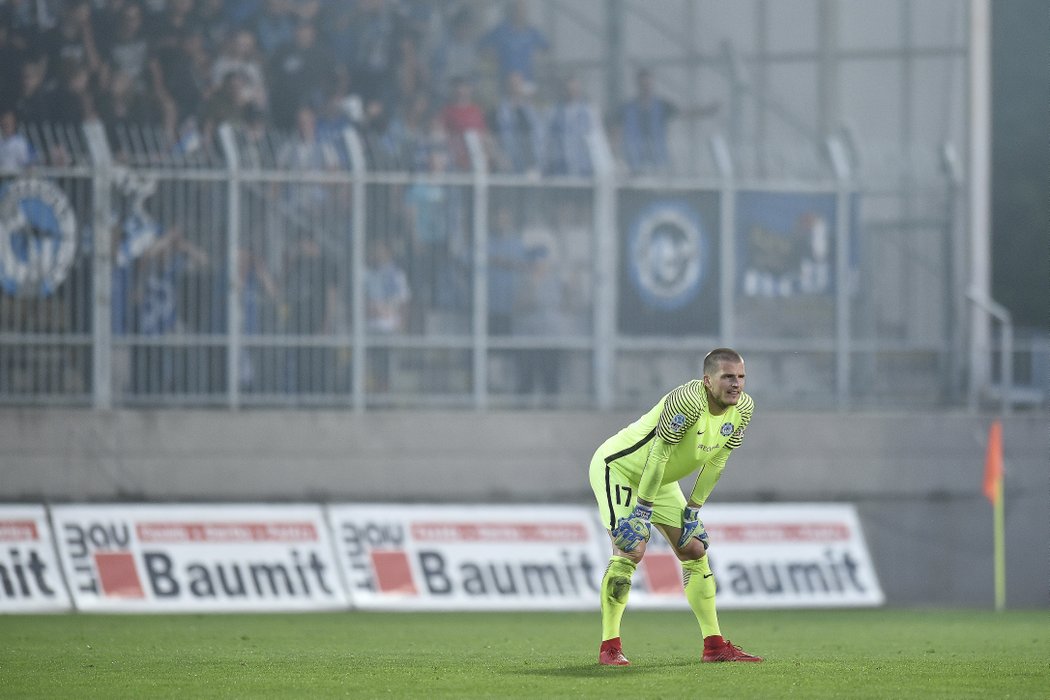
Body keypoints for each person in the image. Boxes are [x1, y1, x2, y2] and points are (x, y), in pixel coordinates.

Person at [589, 347, 763, 665]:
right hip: (621, 469)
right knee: (632, 550)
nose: (736, 384)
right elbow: (658, 454)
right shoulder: (687, 400)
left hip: (661, 480)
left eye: (741, 377)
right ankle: (609, 647)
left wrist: (693, 509)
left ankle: (714, 646)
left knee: (695, 549)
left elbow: (717, 462)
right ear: (707, 381)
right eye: (728, 377)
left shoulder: (744, 409)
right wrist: (642, 511)